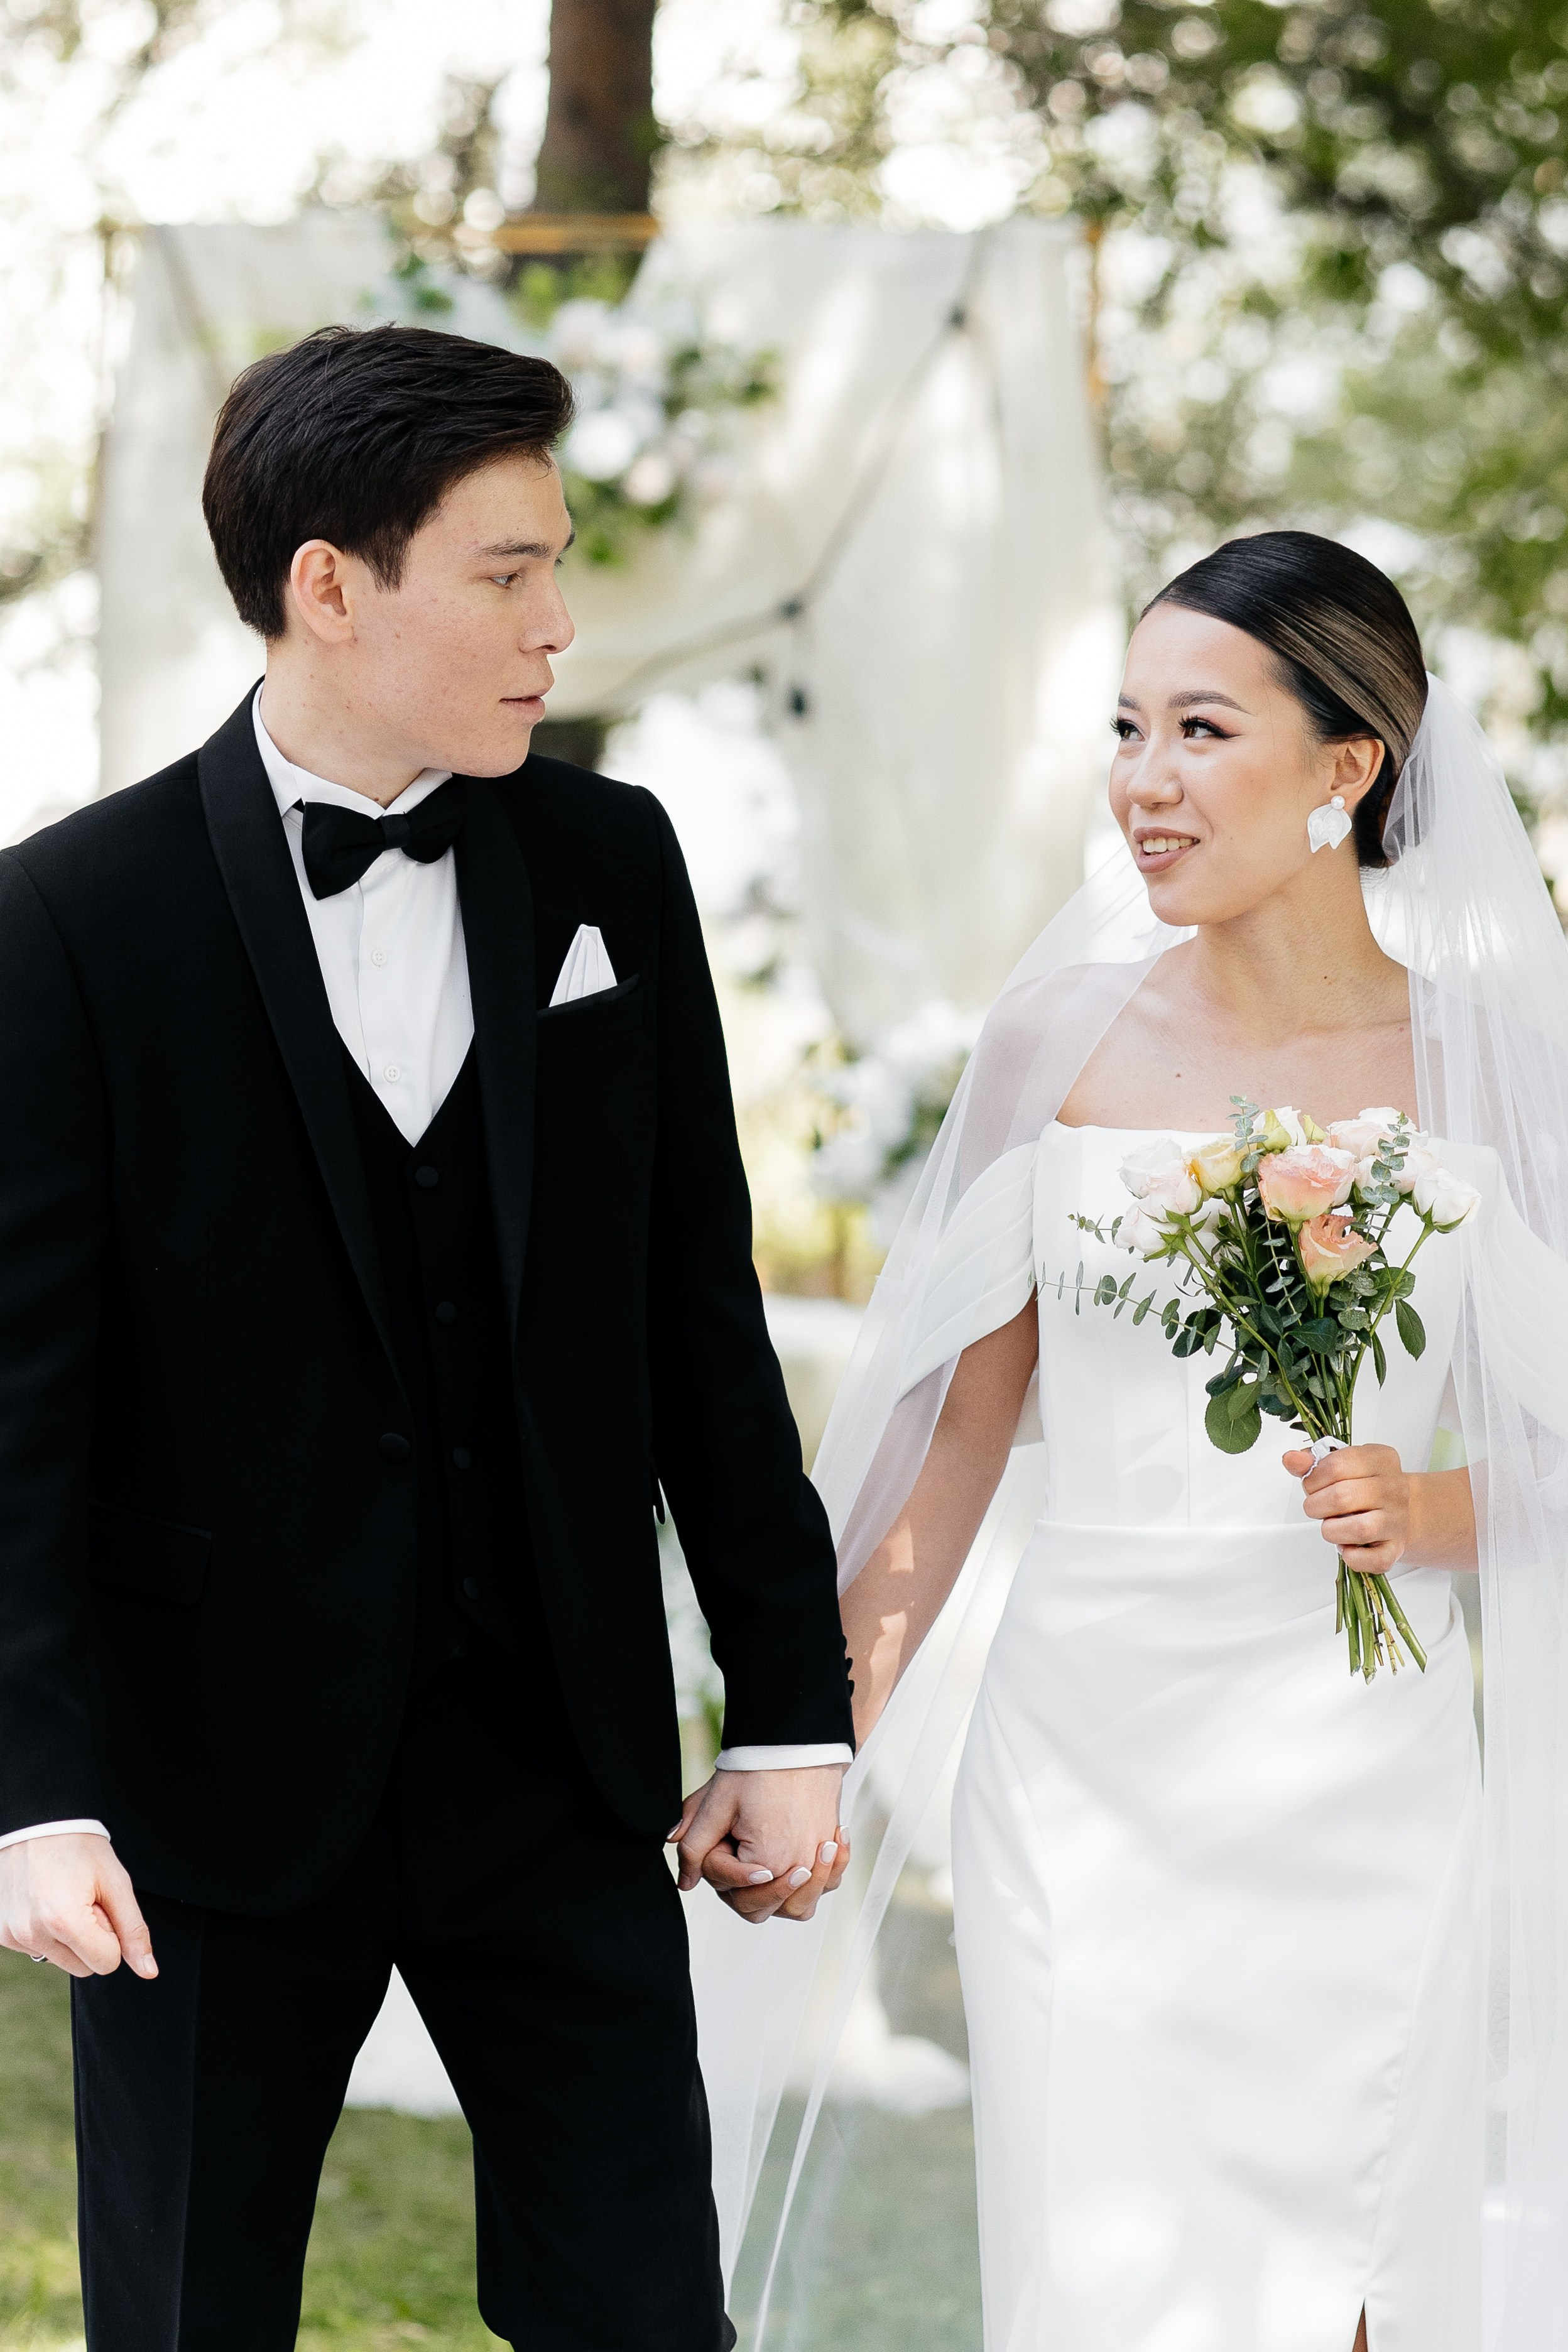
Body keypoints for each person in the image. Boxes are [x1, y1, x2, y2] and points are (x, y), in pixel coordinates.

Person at [0, 322, 856, 2352]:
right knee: (188, 2320)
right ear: (328, 586)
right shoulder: (64, 922)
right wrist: (36, 1794)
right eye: (509, 571)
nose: (557, 625)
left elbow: (694, 1313)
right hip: (210, 1791)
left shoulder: (609, 863)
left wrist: (789, 1713)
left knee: (644, 2312)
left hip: (559, 1764)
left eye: (556, 567)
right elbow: (15, 1409)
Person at [699, 533, 1568, 2351]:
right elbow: (950, 1438)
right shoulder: (1058, 1037)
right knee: (1096, 2278)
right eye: (1125, 728)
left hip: (1361, 1781)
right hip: (1081, 1776)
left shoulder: (1484, 1059)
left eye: (1198, 729)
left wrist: (1429, 1505)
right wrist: (812, 1739)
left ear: (1351, 766)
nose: (1141, 784)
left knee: (1353, 2281)